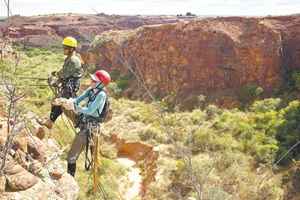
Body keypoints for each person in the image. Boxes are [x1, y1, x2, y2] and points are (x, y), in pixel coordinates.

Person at [66, 69, 111, 177]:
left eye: (94, 81)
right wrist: (72, 102)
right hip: (85, 122)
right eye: (92, 80)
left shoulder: (101, 95)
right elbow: (79, 99)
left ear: (100, 84)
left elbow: (90, 110)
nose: (91, 82)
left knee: (71, 156)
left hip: (90, 127)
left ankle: (70, 178)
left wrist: (76, 108)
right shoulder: (91, 90)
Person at [41, 36, 83, 129]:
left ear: (71, 49)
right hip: (68, 84)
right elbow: (64, 72)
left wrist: (55, 77)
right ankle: (50, 121)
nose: (63, 49)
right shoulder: (69, 58)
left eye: (65, 48)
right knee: (59, 103)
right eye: (63, 47)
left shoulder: (73, 60)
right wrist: (56, 78)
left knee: (61, 103)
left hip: (70, 86)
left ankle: (80, 122)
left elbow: (65, 74)